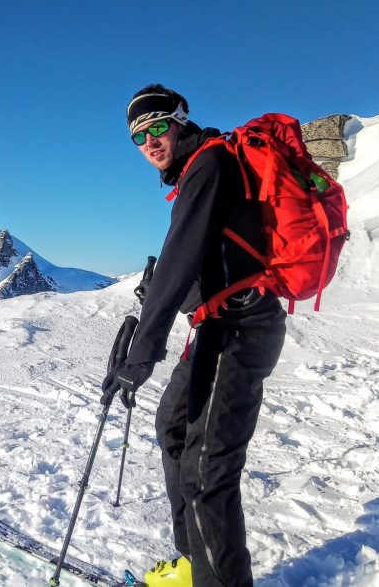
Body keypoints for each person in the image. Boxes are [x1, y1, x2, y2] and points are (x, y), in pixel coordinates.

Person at [101, 85, 287, 587]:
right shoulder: (196, 173)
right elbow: (211, 260)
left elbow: (181, 258)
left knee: (207, 474)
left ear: (180, 120)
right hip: (218, 326)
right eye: (138, 137)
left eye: (157, 126)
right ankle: (192, 566)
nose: (150, 142)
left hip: (241, 330)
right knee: (174, 427)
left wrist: (141, 354)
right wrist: (172, 297)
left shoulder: (208, 165)